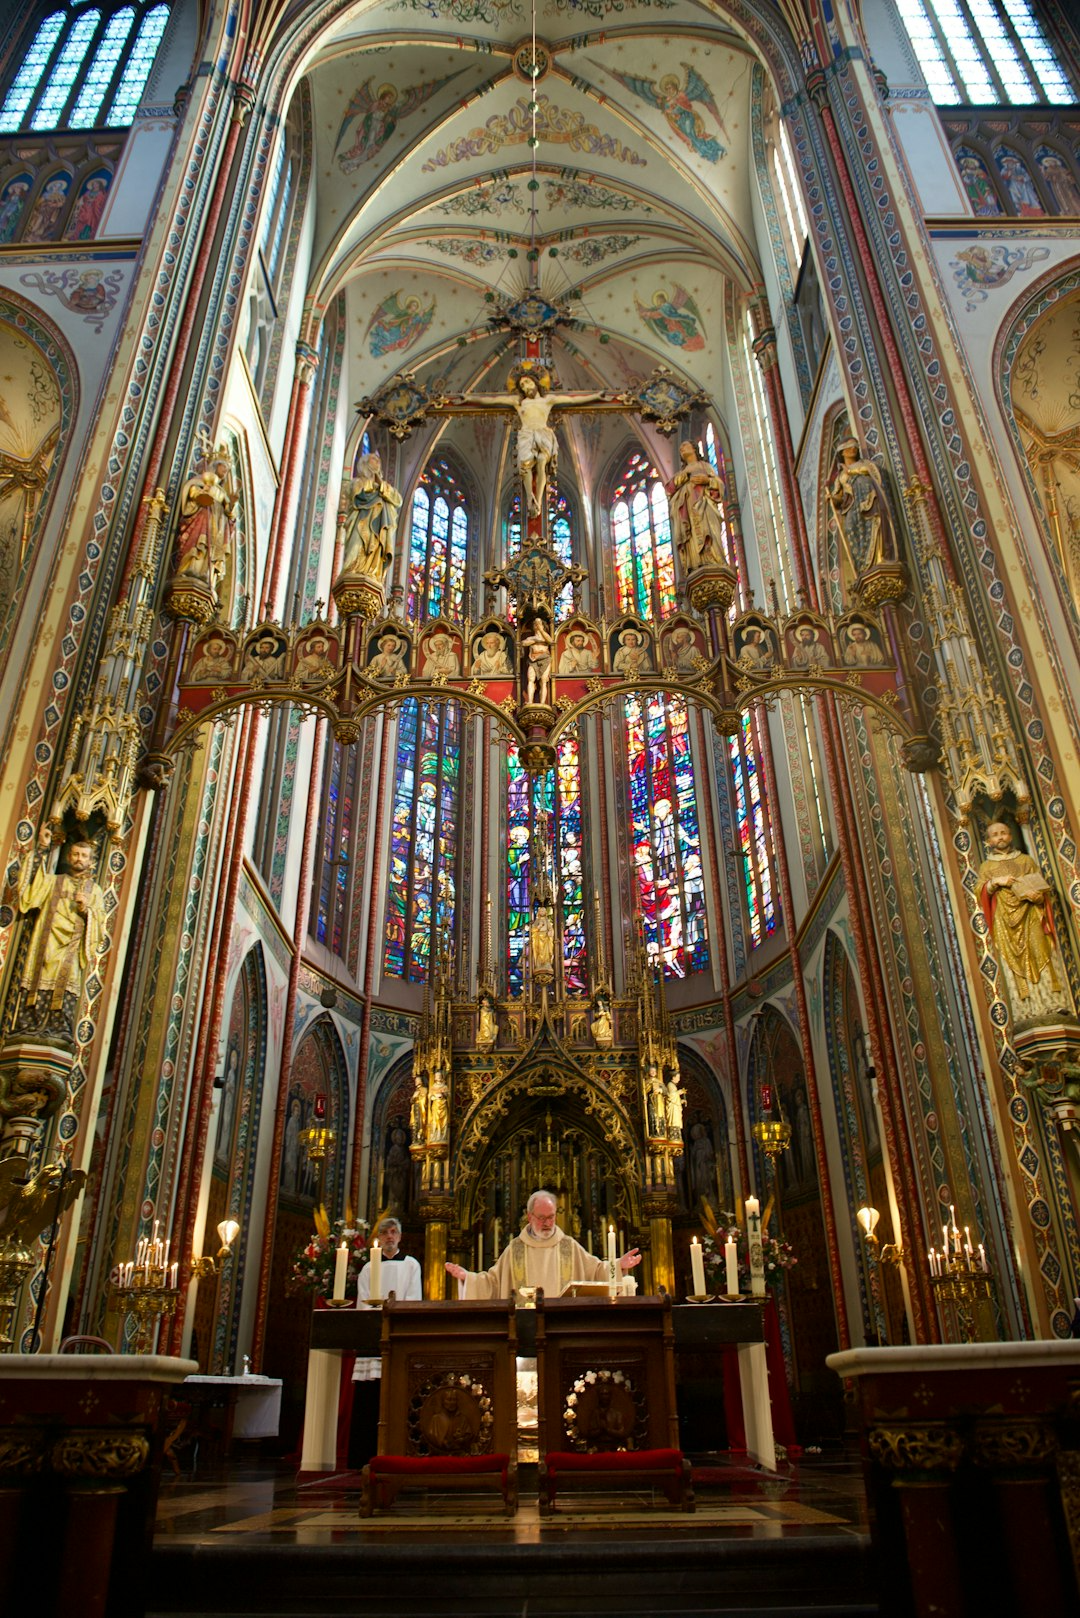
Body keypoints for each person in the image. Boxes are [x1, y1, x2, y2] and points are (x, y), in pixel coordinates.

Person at [446, 1189, 640, 1299]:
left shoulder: (568, 1246)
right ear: (529, 1216)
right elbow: (493, 1283)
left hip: (562, 1325)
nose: (547, 1223)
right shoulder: (516, 1248)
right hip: (525, 1324)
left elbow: (596, 1272)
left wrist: (618, 1266)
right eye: (541, 1218)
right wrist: (467, 1278)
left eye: (551, 1217)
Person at [15, 832, 106, 1041]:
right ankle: (28, 1027)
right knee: (37, 980)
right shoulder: (52, 882)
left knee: (66, 983)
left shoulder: (95, 891)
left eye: (84, 856)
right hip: (45, 945)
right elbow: (28, 891)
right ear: (68, 857)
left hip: (71, 950)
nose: (79, 859)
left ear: (91, 861)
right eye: (75, 854)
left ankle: (59, 1031)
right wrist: (41, 849)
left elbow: (100, 925)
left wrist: (87, 910)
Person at [350, 1217, 422, 1467]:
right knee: (370, 1398)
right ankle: (365, 1456)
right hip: (374, 1338)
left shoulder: (411, 1265)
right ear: (378, 1239)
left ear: (400, 1237)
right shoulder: (370, 1268)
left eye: (393, 1232)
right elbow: (364, 1302)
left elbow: (413, 1299)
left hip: (400, 1335)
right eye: (385, 1233)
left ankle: (401, 1454)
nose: (390, 1237)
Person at [977, 821, 1068, 1017]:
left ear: (1010, 836)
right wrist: (994, 882)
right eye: (995, 835)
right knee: (1012, 961)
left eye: (1003, 832)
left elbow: (1039, 883)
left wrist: (1039, 896)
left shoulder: (1026, 861)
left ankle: (1051, 1003)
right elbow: (980, 892)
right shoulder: (986, 867)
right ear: (989, 841)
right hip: (1005, 921)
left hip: (1030, 915)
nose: (1000, 837)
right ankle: (1025, 1010)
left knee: (1041, 952)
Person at [174, 453, 238, 604]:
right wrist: (201, 494)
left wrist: (232, 503)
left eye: (228, 470)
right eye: (224, 467)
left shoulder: (222, 492)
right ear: (216, 466)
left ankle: (206, 574)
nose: (226, 472)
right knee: (199, 545)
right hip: (203, 518)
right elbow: (192, 492)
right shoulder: (201, 481)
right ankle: (190, 569)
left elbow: (229, 512)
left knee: (211, 549)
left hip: (218, 525)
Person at [828, 437, 898, 577]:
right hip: (852, 507)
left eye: (855, 446)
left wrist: (851, 472)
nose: (854, 449)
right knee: (850, 528)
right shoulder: (840, 477)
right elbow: (839, 498)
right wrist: (831, 498)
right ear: (843, 452)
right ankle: (864, 567)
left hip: (868, 500)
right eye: (850, 447)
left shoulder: (863, 464)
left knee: (874, 524)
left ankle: (879, 558)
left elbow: (870, 472)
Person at [339, 452, 403, 580]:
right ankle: (352, 570)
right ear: (365, 463)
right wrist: (372, 484)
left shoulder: (383, 487)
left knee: (375, 553)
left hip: (377, 531)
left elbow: (399, 500)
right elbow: (356, 495)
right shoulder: (358, 482)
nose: (378, 461)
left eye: (379, 459)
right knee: (356, 548)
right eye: (374, 459)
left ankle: (373, 573)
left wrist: (381, 486)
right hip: (360, 523)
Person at [667, 440, 728, 574]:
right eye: (680, 448)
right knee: (693, 539)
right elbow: (669, 491)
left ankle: (713, 560)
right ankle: (695, 565)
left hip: (705, 507)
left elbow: (720, 485)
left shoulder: (705, 466)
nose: (682, 448)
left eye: (685, 445)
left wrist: (707, 481)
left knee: (710, 534)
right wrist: (684, 479)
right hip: (689, 513)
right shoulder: (680, 475)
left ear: (694, 449)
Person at [522, 615, 553, 706]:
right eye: (535, 624)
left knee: (543, 681)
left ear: (543, 626)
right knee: (530, 679)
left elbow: (550, 641)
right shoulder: (531, 638)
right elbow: (524, 643)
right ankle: (530, 701)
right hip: (533, 660)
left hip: (545, 660)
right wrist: (536, 639)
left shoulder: (546, 636)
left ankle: (543, 703)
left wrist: (541, 632)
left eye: (539, 623)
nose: (537, 625)